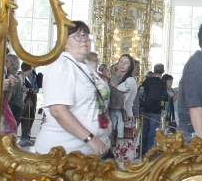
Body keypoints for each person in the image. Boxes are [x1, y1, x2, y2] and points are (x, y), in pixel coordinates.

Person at [33, 21, 111, 157]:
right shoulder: (60, 65)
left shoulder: (85, 65)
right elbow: (58, 110)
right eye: (77, 36)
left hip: (94, 150)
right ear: (64, 43)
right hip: (65, 152)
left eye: (86, 35)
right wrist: (90, 139)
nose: (84, 40)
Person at [110, 54, 138, 162]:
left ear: (130, 67)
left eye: (126, 63)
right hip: (116, 117)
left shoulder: (129, 81)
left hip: (125, 117)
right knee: (115, 148)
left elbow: (120, 98)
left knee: (123, 149)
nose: (122, 64)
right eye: (121, 61)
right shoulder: (119, 78)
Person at [139, 63, 167, 154]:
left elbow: (141, 93)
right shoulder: (162, 83)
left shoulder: (147, 80)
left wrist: (141, 105)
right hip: (156, 111)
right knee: (153, 132)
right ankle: (149, 152)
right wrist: (163, 109)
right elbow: (164, 98)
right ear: (163, 71)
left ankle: (142, 150)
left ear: (154, 71)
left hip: (145, 109)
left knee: (144, 131)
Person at [18, 63, 38, 147]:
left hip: (28, 100)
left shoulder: (29, 76)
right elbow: (22, 88)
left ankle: (25, 139)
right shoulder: (20, 76)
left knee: (27, 121)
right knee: (18, 120)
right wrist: (29, 91)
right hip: (22, 101)